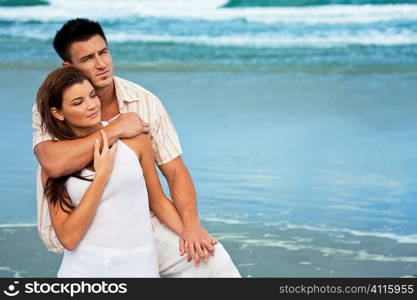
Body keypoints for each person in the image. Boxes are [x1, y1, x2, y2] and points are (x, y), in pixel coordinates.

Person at [32, 18, 241, 277]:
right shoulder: (54, 106)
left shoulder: (145, 103)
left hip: (146, 224)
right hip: (91, 231)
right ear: (68, 66)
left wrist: (192, 227)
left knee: (214, 260)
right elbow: (52, 162)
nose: (101, 64)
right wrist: (116, 129)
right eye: (87, 58)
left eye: (103, 52)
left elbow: (174, 172)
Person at [37, 66, 187, 277]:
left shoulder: (134, 141)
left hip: (140, 268)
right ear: (58, 113)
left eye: (92, 96)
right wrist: (101, 178)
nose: (91, 105)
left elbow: (158, 201)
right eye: (78, 102)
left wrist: (190, 232)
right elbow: (69, 239)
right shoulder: (58, 164)